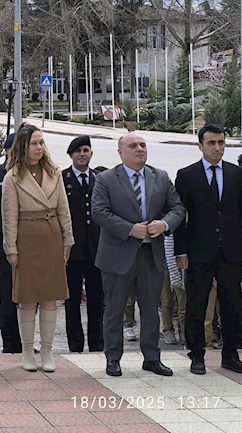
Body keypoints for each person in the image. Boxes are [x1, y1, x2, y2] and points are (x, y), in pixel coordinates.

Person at [91, 132, 186, 378]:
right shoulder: (106, 179)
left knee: (149, 307)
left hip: (150, 253)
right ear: (120, 152)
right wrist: (129, 229)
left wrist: (164, 224)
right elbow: (99, 212)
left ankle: (152, 357)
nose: (140, 149)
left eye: (143, 145)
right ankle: (113, 358)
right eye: (133, 146)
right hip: (118, 254)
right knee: (114, 308)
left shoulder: (160, 177)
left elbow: (177, 207)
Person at [174, 124, 242, 375]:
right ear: (200, 146)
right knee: (197, 303)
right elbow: (180, 216)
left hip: (231, 250)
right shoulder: (187, 175)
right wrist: (180, 251)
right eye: (212, 143)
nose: (218, 148)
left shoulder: (237, 174)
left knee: (231, 303)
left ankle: (230, 355)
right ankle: (197, 355)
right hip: (198, 251)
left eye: (221, 143)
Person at [2, 124, 73, 372]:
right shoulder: (12, 177)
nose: (39, 147)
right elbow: (8, 217)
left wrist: (68, 240)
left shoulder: (54, 172)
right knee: (28, 298)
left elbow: (64, 210)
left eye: (41, 142)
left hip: (51, 237)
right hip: (27, 239)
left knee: (50, 296)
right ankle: (27, 351)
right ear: (23, 146)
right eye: (34, 143)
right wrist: (11, 248)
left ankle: (47, 351)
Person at [62, 135, 104, 353]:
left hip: (97, 250)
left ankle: (97, 344)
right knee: (72, 301)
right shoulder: (62, 179)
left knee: (97, 299)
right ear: (71, 155)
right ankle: (75, 345)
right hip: (72, 250)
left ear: (91, 154)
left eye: (86, 150)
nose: (82, 154)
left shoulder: (100, 178)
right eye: (78, 151)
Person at [0, 133, 22, 353]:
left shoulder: (30, 175)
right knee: (7, 301)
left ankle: (26, 342)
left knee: (30, 301)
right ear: (6, 150)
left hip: (29, 248)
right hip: (3, 250)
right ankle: (10, 345)